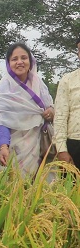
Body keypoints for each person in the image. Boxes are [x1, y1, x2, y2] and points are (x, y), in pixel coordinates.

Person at [0, 42, 54, 176]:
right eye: (14, 59)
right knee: (12, 188)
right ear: (8, 63)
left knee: (37, 190)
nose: (20, 62)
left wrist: (51, 112)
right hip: (12, 148)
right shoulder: (4, 88)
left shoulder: (38, 84)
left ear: (30, 61)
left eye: (24, 58)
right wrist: (3, 147)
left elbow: (50, 108)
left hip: (37, 147)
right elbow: (1, 120)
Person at [54, 37, 80, 169]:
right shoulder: (68, 80)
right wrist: (61, 149)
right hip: (74, 146)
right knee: (72, 189)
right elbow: (60, 116)